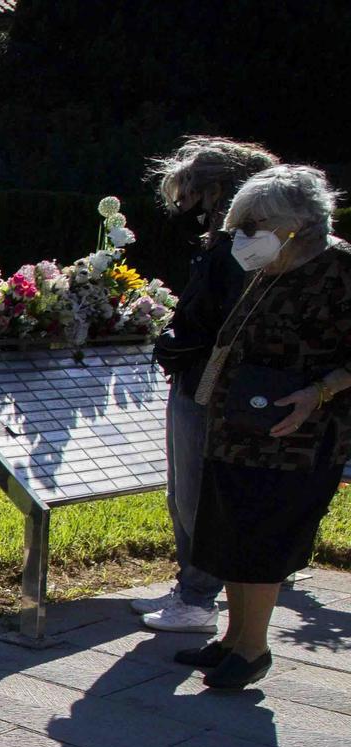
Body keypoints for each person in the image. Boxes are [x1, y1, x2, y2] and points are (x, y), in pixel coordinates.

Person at [178, 165, 351, 690]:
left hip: (296, 434)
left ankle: (253, 650)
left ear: (296, 223)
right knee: (230, 530)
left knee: (264, 538)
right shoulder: (270, 266)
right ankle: (233, 638)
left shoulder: (340, 267)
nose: (243, 236)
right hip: (240, 424)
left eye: (253, 225)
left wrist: (320, 391)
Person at [140, 137, 281, 633]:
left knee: (194, 494)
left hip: (209, 384)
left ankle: (198, 598)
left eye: (192, 194)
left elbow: (233, 320)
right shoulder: (246, 240)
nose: (188, 206)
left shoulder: (244, 245)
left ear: (217, 188)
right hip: (202, 377)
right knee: (184, 490)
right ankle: (191, 588)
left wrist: (185, 342)